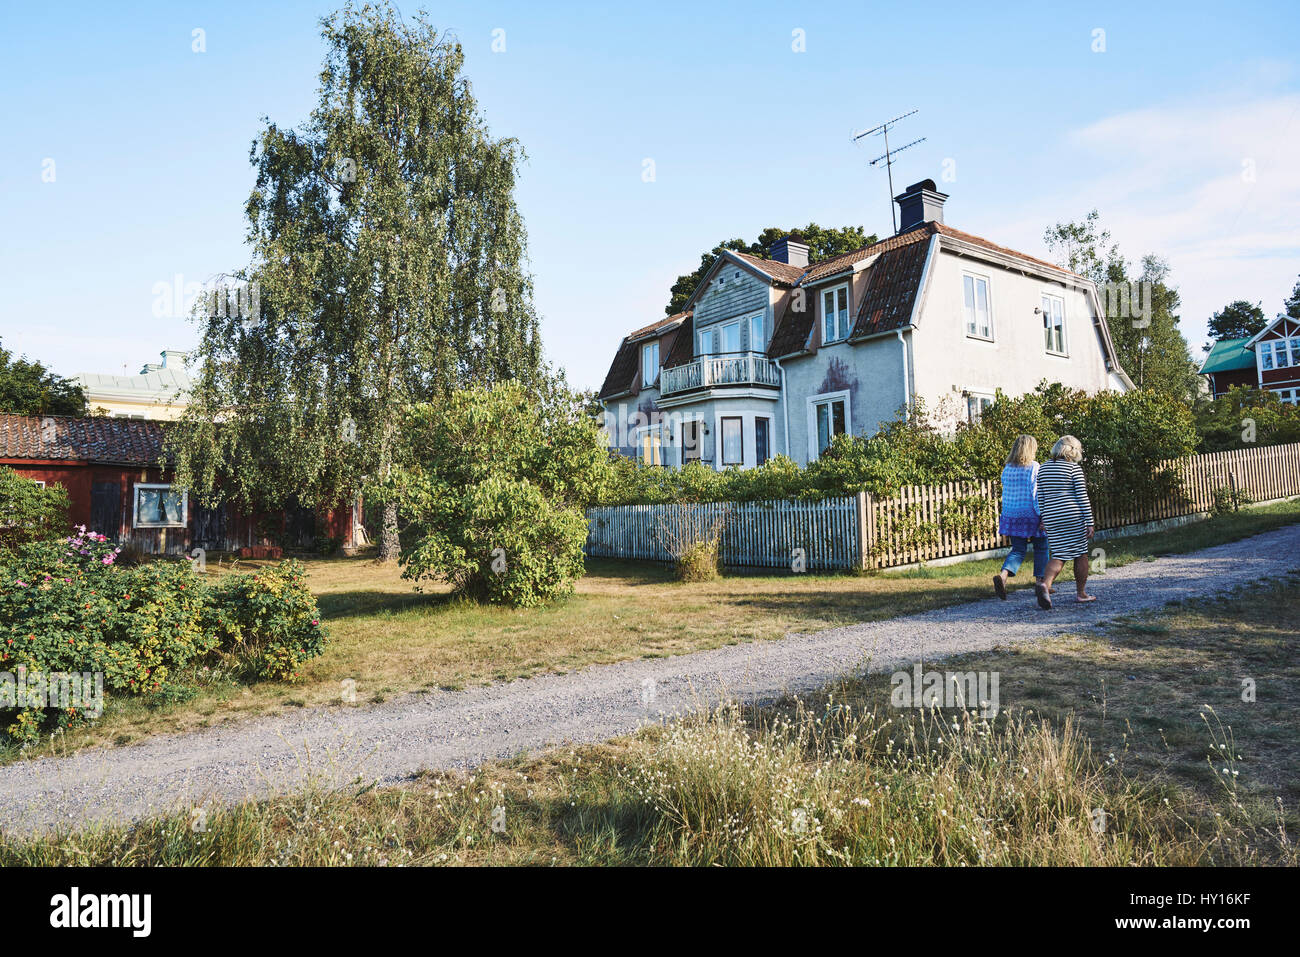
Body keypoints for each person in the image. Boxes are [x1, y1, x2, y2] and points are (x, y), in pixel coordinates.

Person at [1035, 435, 1096, 609]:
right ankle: (1081, 594)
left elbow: (1041, 497)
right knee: (1081, 553)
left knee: (1059, 554)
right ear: (1073, 450)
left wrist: (1044, 518)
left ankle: (1045, 585)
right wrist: (1090, 522)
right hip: (1072, 515)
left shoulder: (1044, 468)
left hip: (1052, 516)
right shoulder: (1073, 469)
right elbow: (1082, 497)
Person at [992, 434, 1049, 600]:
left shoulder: (1007, 468)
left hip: (1011, 514)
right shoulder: (1034, 467)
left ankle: (1003, 576)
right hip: (1031, 513)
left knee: (1018, 549)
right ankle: (1040, 583)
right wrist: (1042, 515)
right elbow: (1035, 493)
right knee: (1041, 547)